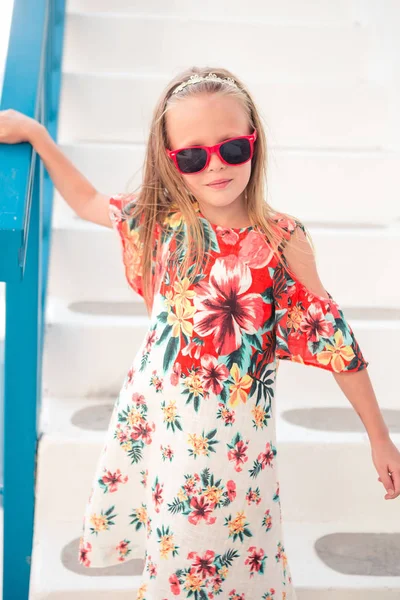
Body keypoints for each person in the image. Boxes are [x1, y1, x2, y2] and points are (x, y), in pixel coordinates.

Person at [1, 66, 399, 600]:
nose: (215, 167)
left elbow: (335, 339)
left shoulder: (284, 239)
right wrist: (38, 136)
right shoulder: (163, 223)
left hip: (241, 441)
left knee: (246, 556)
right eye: (192, 156)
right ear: (171, 161)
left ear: (253, 141)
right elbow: (88, 201)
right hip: (168, 429)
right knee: (178, 559)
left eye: (231, 149)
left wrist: (379, 436)